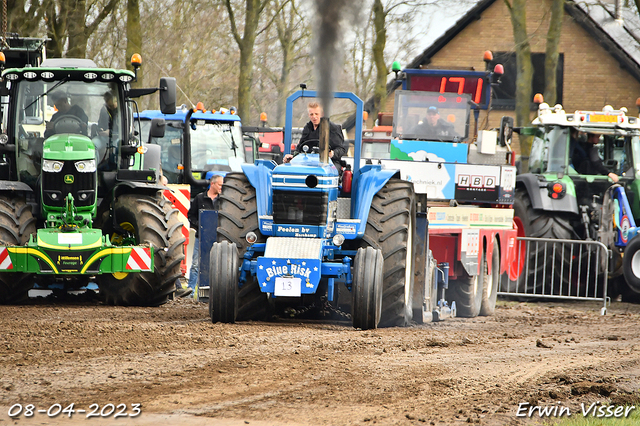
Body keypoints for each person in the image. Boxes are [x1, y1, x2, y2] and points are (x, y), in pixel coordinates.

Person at [282, 102, 346, 171]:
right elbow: (300, 147)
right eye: (311, 114)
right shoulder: (307, 128)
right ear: (309, 115)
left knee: (330, 170)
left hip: (330, 161)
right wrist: (293, 157)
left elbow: (341, 149)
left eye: (316, 114)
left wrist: (332, 153)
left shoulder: (333, 128)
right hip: (309, 161)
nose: (314, 117)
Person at [187, 173, 224, 294]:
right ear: (212, 184)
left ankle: (215, 291)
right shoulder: (200, 198)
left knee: (218, 264)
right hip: (201, 237)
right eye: (219, 185)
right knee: (196, 264)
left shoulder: (223, 200)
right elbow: (191, 215)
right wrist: (200, 225)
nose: (221, 188)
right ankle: (191, 291)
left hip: (218, 237)